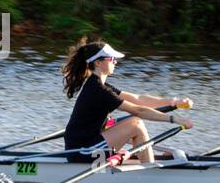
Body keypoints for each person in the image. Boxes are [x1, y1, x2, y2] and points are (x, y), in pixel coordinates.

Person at [61, 39, 192, 164]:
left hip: (85, 145)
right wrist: (175, 119)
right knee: (136, 124)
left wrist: (173, 102)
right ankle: (148, 171)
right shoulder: (98, 90)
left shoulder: (100, 85)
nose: (115, 62)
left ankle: (145, 160)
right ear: (97, 63)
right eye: (112, 59)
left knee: (133, 125)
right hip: (82, 152)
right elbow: (138, 110)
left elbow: (138, 99)